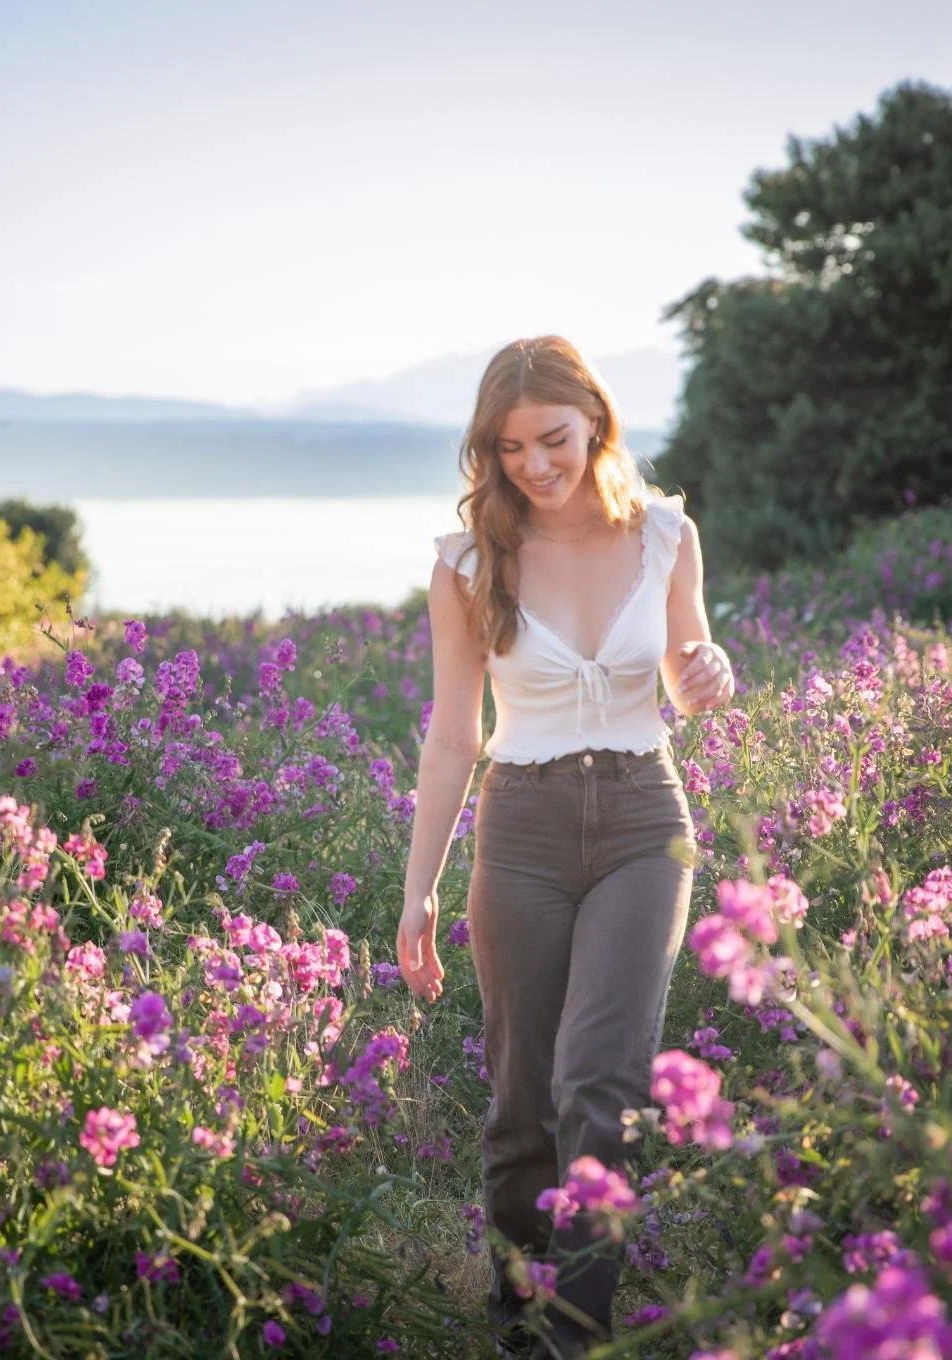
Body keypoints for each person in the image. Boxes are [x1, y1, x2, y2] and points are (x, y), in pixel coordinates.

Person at [395, 335, 736, 1358]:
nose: (535, 465)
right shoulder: (467, 562)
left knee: (602, 1083)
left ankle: (576, 1336)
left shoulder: (668, 533)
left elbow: (683, 669)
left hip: (644, 819)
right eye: (509, 449)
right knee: (521, 1107)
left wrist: (708, 670)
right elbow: (456, 731)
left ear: (596, 418)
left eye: (553, 439)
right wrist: (418, 895)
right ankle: (515, 1325)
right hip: (523, 829)